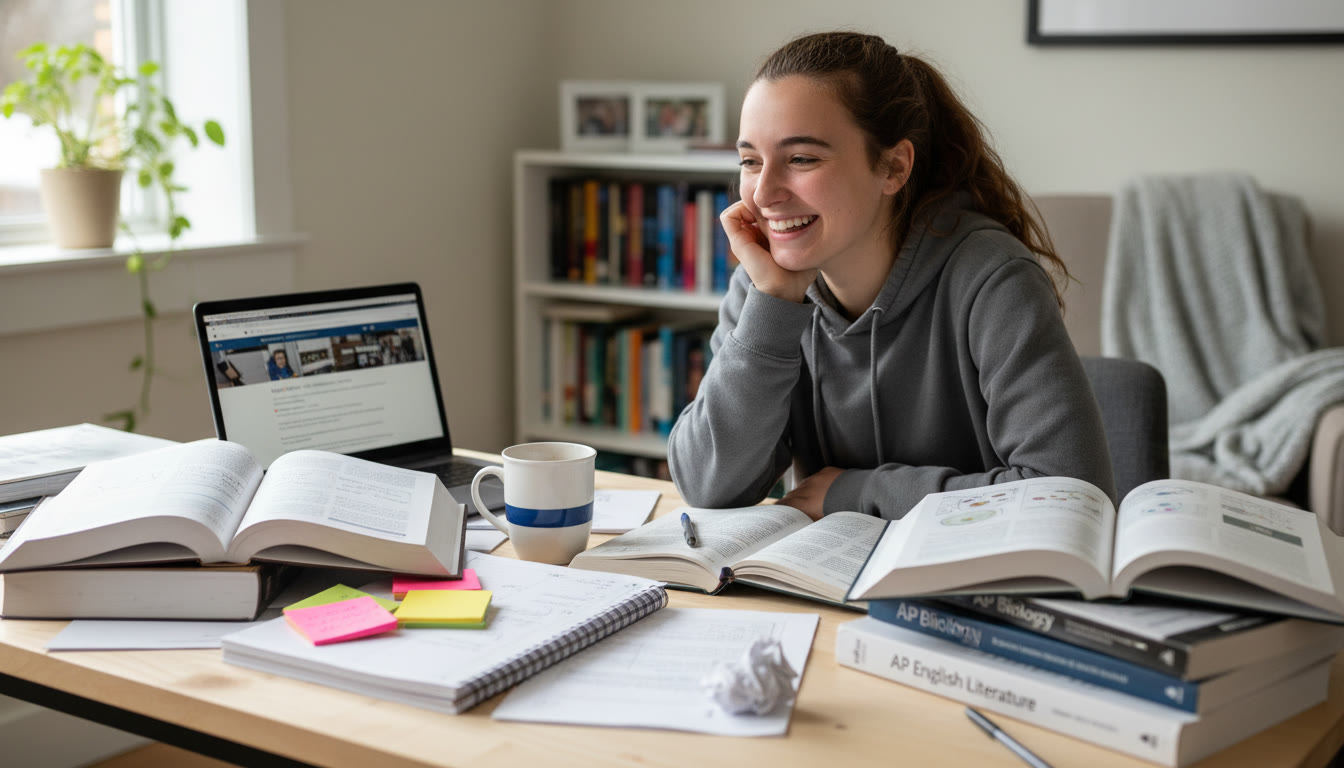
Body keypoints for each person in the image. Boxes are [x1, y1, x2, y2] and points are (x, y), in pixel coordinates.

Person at [666, 31, 1115, 521]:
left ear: (894, 167)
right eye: (750, 161)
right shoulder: (767, 284)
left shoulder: (992, 278)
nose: (764, 193)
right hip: (828, 587)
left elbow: (1072, 494)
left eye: (801, 159)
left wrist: (858, 493)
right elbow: (708, 486)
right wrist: (773, 306)